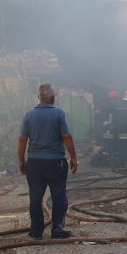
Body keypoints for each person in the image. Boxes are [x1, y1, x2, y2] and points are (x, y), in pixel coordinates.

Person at [17, 83, 78, 240]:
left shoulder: (28, 115)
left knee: (35, 197)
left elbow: (23, 139)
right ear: (53, 97)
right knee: (58, 195)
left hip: (35, 163)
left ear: (39, 98)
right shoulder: (58, 114)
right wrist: (73, 157)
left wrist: (21, 161)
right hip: (56, 162)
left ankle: (36, 232)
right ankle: (57, 229)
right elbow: (66, 136)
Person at [112, 89, 127, 170]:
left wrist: (115, 128)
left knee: (122, 147)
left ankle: (123, 162)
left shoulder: (117, 104)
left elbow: (114, 118)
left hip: (120, 131)